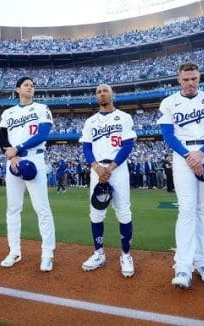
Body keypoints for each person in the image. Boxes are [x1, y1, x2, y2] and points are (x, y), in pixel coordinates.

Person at [157, 62, 204, 289]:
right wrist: (189, 155)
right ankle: (183, 266)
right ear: (179, 80)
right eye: (186, 79)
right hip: (183, 155)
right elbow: (167, 133)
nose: (190, 83)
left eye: (194, 78)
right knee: (186, 209)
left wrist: (202, 154)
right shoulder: (169, 102)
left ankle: (203, 262)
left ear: (199, 78)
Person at [0, 76, 56, 272]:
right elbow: (2, 137)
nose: (30, 87)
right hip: (13, 162)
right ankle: (14, 251)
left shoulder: (42, 108)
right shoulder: (8, 112)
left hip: (35, 158)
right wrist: (12, 157)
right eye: (26, 85)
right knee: (13, 209)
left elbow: (42, 134)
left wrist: (18, 148)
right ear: (17, 89)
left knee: (42, 208)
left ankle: (47, 254)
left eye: (32, 85)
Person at [79, 83, 137, 278]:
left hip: (118, 169)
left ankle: (126, 255)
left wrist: (110, 168)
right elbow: (86, 147)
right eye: (98, 92)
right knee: (96, 213)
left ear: (112, 94)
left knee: (123, 211)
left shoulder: (124, 117)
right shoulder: (90, 121)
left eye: (105, 91)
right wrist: (96, 167)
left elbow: (128, 146)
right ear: (96, 97)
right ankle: (98, 253)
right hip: (97, 169)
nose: (102, 94)